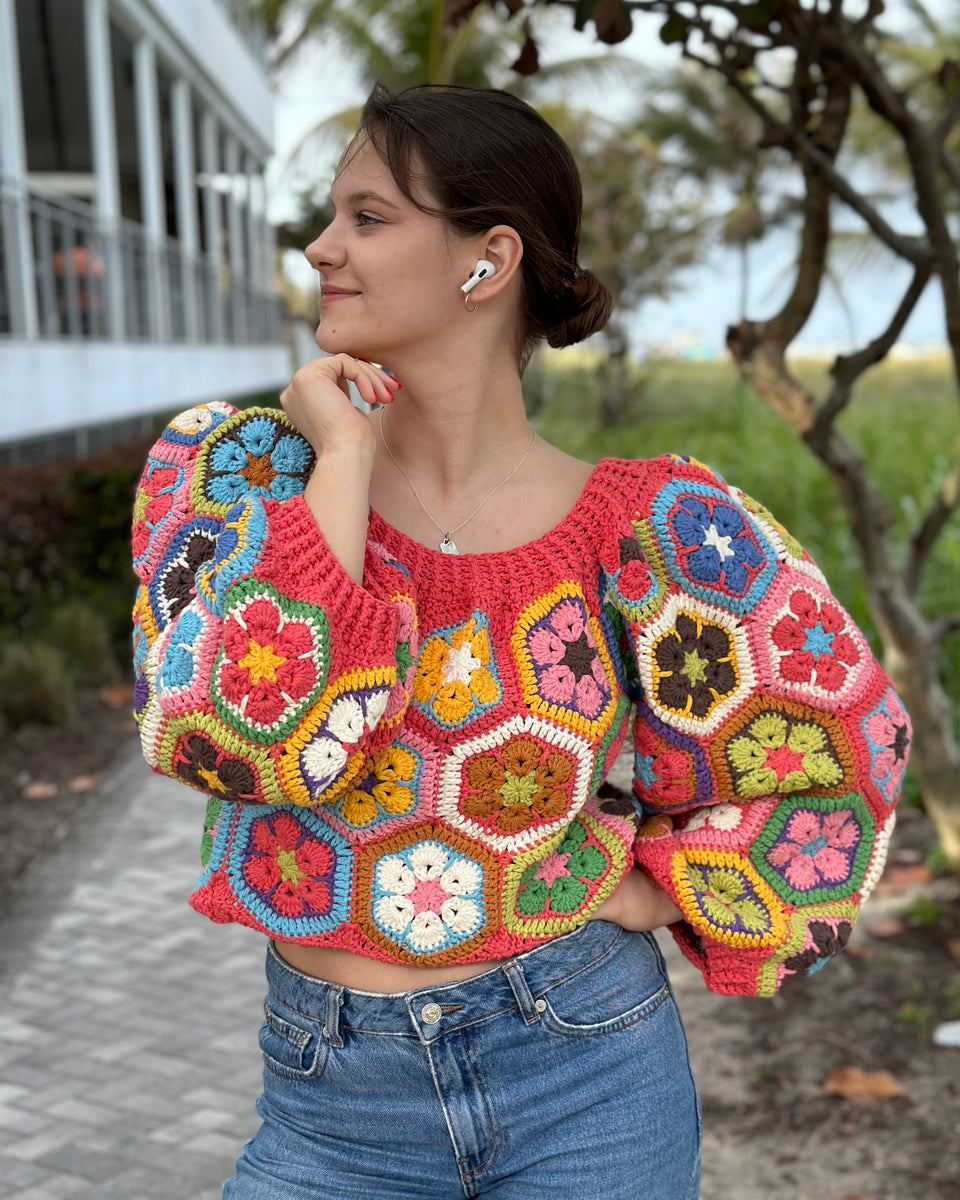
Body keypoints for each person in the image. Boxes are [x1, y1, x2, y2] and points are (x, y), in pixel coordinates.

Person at [131, 84, 910, 1200]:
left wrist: (651, 890)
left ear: (486, 260)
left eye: (367, 217)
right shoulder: (243, 480)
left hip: (585, 1071)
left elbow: (840, 741)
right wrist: (341, 466)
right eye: (331, 218)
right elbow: (250, 742)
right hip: (329, 1110)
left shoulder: (654, 525)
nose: (320, 248)